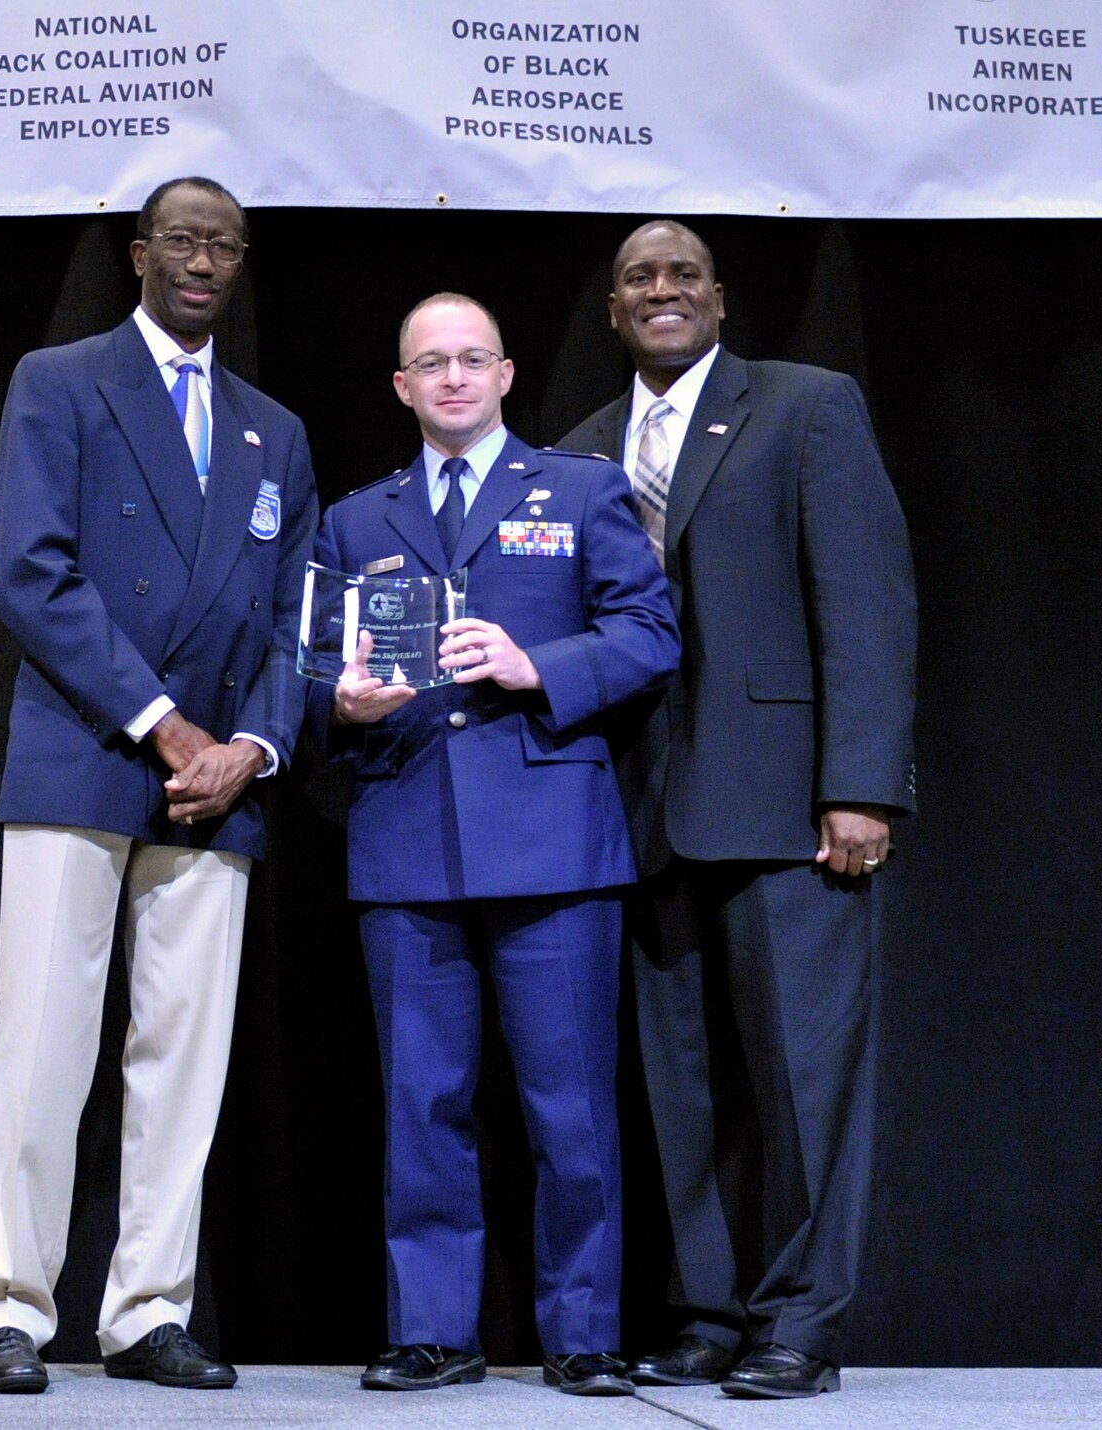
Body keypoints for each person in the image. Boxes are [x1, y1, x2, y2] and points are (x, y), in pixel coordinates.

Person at [0, 177, 318, 1395]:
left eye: (223, 243)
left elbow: (291, 620)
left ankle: (147, 1307)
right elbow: (31, 572)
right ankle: (6, 1304)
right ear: (139, 254)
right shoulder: (59, 381)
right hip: (86, 750)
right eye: (182, 240)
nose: (202, 260)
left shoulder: (274, 428)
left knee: (183, 1056)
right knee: (44, 1044)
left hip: (220, 782)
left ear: (242, 262)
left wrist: (250, 748)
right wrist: (168, 729)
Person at [560, 221, 916, 1399]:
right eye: (636, 279)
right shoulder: (580, 451)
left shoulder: (806, 407)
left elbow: (864, 602)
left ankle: (800, 1320)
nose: (659, 290)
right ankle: (709, 1309)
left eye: (681, 274)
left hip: (784, 806)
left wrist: (858, 785)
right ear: (612, 311)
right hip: (641, 810)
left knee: (804, 1079)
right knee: (681, 1084)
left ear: (717, 298)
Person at [313, 294, 678, 1398]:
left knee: (567, 1102)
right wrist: (343, 707)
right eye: (432, 362)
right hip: (406, 833)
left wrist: (536, 665)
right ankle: (432, 1326)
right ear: (401, 386)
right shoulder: (353, 519)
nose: (454, 377)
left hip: (552, 838)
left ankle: (581, 1330)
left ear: (508, 372)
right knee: (420, 1099)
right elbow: (306, 679)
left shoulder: (575, 487)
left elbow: (650, 631)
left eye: (472, 358)